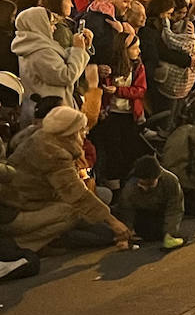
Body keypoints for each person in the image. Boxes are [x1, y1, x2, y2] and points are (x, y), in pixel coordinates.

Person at [0, 106, 130, 253]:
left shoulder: (42, 138)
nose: (86, 133)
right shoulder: (53, 153)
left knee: (102, 228)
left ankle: (55, 237)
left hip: (32, 203)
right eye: (82, 129)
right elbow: (77, 194)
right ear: (71, 131)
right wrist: (113, 222)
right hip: (18, 211)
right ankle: (21, 246)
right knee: (73, 212)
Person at [91, 30, 150, 192]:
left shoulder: (138, 67)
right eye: (135, 48)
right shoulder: (109, 67)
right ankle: (114, 187)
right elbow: (99, 88)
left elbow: (140, 90)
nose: (138, 51)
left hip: (130, 115)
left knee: (128, 150)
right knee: (113, 151)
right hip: (111, 115)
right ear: (124, 50)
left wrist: (118, 90)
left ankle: (127, 183)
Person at [11, 5, 91, 110]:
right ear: (40, 25)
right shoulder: (40, 51)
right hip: (50, 111)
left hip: (49, 108)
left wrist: (82, 47)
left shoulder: (33, 46)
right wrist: (78, 50)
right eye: (52, 23)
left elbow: (60, 61)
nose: (54, 28)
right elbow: (66, 76)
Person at [114, 155, 186, 250]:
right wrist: (124, 238)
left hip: (161, 209)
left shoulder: (170, 180)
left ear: (159, 176)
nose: (145, 188)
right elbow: (127, 213)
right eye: (142, 184)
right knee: (150, 233)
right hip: (142, 212)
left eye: (149, 184)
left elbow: (175, 209)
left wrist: (170, 233)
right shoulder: (130, 188)